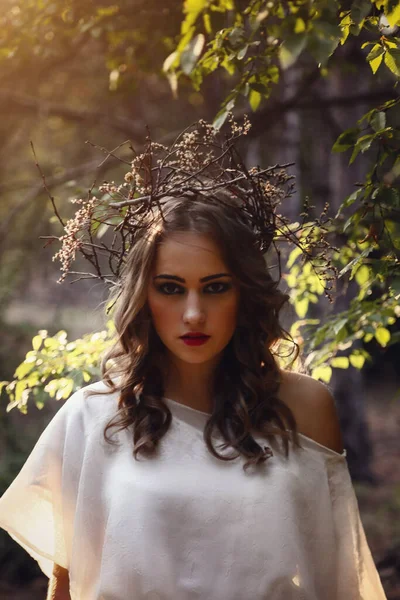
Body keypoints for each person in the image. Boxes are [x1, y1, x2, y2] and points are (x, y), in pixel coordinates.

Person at [0, 121, 387, 599]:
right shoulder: (93, 416)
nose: (193, 314)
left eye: (215, 287)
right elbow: (66, 584)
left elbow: (335, 578)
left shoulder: (305, 407)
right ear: (145, 296)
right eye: (170, 288)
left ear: (243, 293)